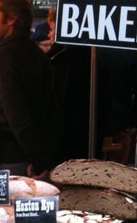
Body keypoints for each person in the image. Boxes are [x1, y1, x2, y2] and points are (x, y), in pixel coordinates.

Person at [0, 0, 63, 179]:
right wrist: (44, 158)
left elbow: (18, 117)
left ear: (12, 18)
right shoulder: (37, 52)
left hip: (8, 162)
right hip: (26, 158)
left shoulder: (5, 57)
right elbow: (52, 112)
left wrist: (39, 164)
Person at [46, 8, 92, 161]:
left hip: (66, 143)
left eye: (52, 29)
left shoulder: (62, 61)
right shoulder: (89, 56)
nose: (48, 35)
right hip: (85, 138)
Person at [96, 48, 137, 165]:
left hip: (89, 122)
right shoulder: (127, 52)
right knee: (118, 172)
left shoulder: (87, 50)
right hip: (120, 122)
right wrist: (136, 121)